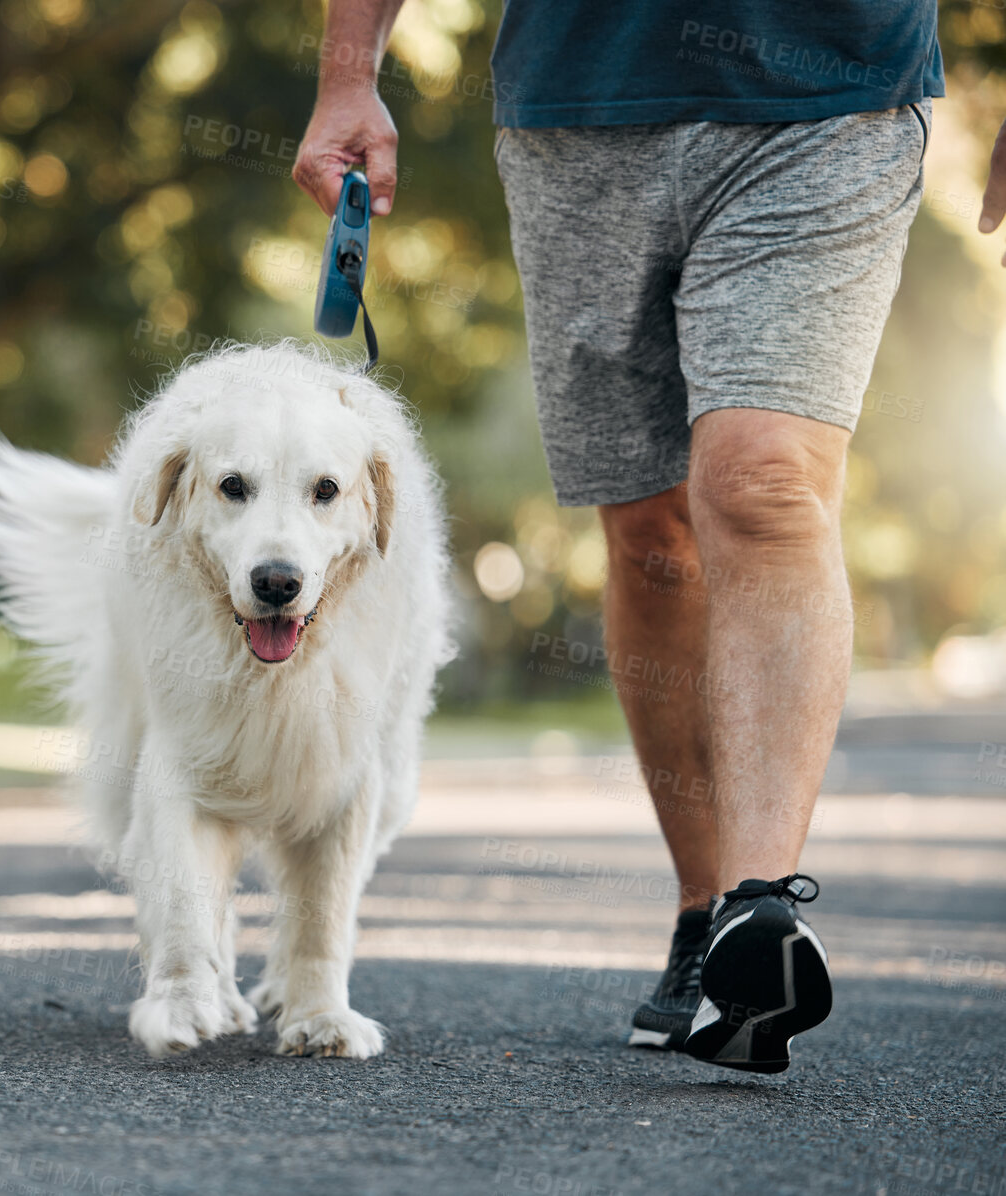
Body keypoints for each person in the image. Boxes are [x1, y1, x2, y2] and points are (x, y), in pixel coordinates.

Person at [293, 1, 972, 1072]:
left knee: (762, 481)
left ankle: (761, 908)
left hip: (832, 95)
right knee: (652, 527)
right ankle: (706, 911)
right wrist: (348, 72)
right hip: (582, 103)